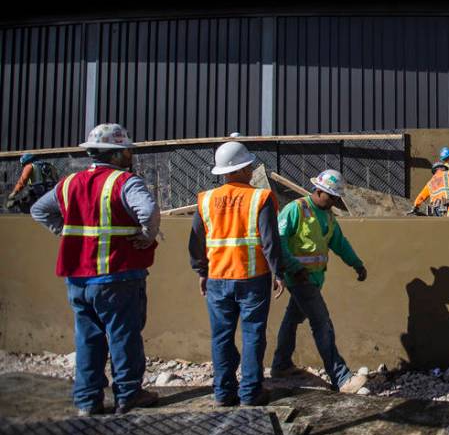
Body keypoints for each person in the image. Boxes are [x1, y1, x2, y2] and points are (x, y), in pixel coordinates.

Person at [30, 123, 160, 416]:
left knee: (87, 338)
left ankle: (88, 401)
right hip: (118, 274)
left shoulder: (68, 183)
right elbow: (149, 212)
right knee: (123, 335)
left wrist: (63, 231)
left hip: (78, 278)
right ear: (114, 153)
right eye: (126, 149)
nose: (130, 154)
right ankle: (128, 394)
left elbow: (39, 209)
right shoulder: (125, 182)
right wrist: (147, 236)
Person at [189, 140, 285, 407]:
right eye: (250, 165)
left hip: (218, 279)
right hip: (252, 279)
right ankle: (250, 393)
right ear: (243, 169)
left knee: (221, 336)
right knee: (253, 335)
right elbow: (270, 241)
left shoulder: (205, 200)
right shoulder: (260, 197)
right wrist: (279, 272)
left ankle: (223, 393)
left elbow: (196, 240)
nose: (253, 169)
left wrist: (201, 271)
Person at [270, 169, 369, 392]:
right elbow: (278, 239)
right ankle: (342, 378)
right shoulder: (296, 209)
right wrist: (293, 268)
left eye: (336, 198)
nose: (334, 201)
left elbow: (339, 243)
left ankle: (281, 364)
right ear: (319, 190)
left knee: (291, 319)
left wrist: (356, 263)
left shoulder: (328, 216)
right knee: (322, 323)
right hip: (299, 278)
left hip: (315, 279)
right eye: (331, 197)